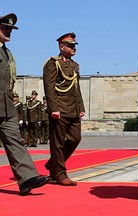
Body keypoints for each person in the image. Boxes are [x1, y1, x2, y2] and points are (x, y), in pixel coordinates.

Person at [0, 13, 48, 195]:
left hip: (6, 106)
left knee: (15, 141)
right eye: (5, 28)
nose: (9, 32)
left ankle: (26, 178)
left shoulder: (7, 52)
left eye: (11, 29)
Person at [43, 32, 85, 186]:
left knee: (75, 138)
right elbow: (49, 87)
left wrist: (81, 107)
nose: (74, 48)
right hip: (60, 109)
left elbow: (76, 88)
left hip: (73, 109)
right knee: (58, 143)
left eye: (74, 45)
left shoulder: (74, 65)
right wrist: (53, 108)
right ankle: (59, 174)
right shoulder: (53, 63)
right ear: (61, 46)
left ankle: (53, 164)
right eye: (70, 45)